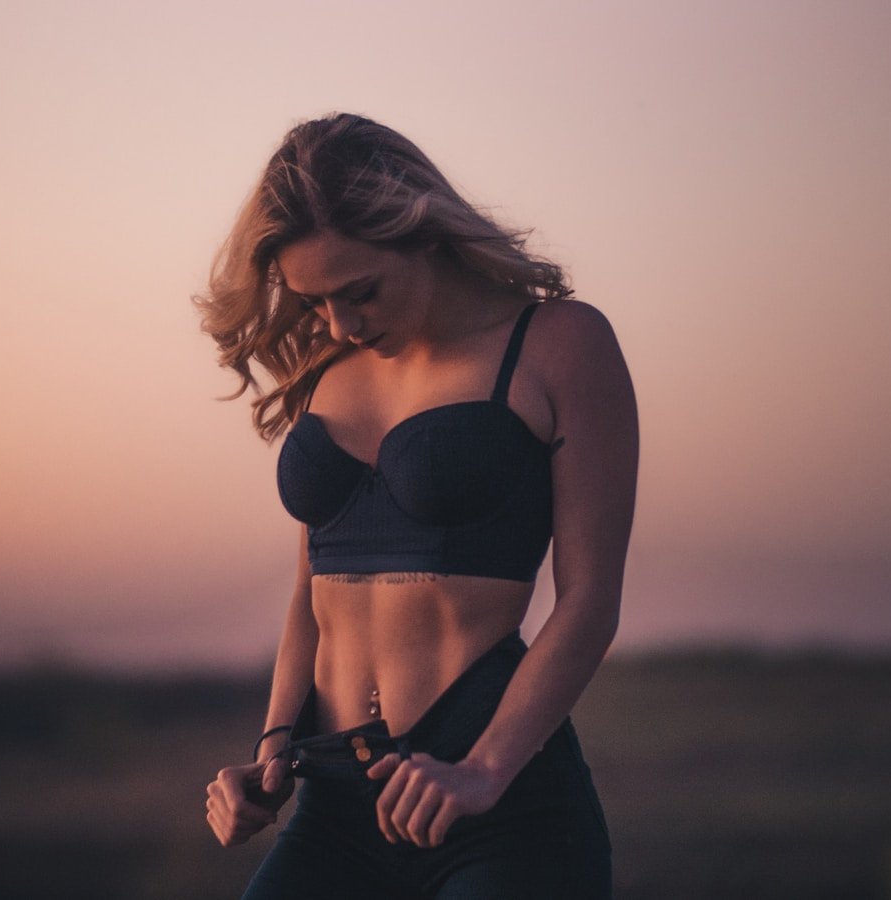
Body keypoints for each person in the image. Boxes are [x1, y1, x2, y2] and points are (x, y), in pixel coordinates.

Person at [196, 113, 639, 899]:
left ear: (424, 233)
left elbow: (590, 602)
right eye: (314, 302)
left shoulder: (558, 343)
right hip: (333, 804)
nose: (340, 323)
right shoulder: (326, 367)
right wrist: (271, 750)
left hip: (495, 807)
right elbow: (312, 598)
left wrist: (484, 769)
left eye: (359, 292)